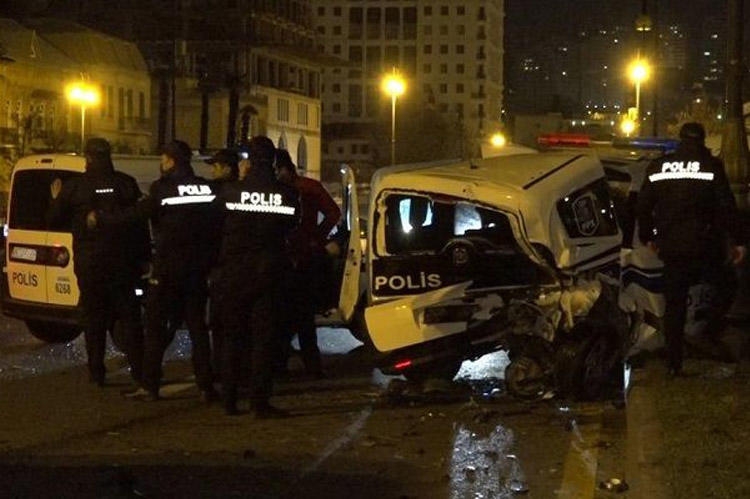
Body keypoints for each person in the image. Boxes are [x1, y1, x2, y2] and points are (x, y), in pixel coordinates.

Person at [91, 140, 219, 401]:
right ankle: (206, 386)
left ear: (171, 161)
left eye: (163, 159)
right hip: (196, 269)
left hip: (168, 269)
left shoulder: (162, 189)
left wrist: (100, 219)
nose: (161, 163)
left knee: (155, 328)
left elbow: (134, 216)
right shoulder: (206, 188)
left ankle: (150, 385)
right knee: (198, 329)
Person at [636, 122, 747, 376]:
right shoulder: (711, 167)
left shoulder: (659, 166)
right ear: (702, 140)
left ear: (680, 139)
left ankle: (674, 363)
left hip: (672, 248)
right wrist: (739, 241)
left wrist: (648, 236)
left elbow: (643, 207)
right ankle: (708, 330)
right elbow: (726, 208)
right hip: (704, 246)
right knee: (727, 284)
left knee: (674, 306)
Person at [46, 137, 149, 387]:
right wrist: (144, 257)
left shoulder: (74, 187)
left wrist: (56, 198)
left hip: (90, 263)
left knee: (94, 320)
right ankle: (140, 371)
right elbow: (139, 224)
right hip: (124, 263)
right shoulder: (125, 183)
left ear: (88, 158)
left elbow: (53, 220)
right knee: (129, 317)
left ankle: (96, 372)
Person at [213, 136, 299, 416]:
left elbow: (215, 227)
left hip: (234, 273)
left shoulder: (229, 192)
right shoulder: (286, 194)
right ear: (273, 162)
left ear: (248, 162)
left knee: (232, 337)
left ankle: (228, 400)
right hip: (269, 274)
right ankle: (259, 402)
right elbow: (291, 227)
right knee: (263, 340)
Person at [275, 149, 341, 378]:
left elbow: (333, 213)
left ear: (283, 169)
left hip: (291, 258)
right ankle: (311, 366)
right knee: (303, 319)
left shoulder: (302, 188)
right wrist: (318, 237)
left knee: (287, 318)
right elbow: (333, 213)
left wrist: (315, 238)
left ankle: (284, 366)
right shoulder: (309, 187)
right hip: (304, 257)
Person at [204, 148, 239, 379]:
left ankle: (221, 371)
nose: (213, 170)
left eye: (216, 166)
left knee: (219, 323)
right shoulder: (241, 191)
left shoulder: (216, 193)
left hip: (219, 264)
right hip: (238, 264)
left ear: (227, 168)